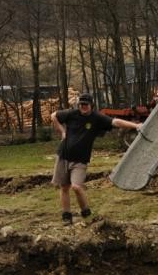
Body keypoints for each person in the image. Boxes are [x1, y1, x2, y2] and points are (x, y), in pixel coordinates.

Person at [51, 93, 141, 224]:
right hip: (63, 156)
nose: (83, 107)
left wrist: (136, 126)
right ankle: (66, 216)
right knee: (64, 187)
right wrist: (62, 131)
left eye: (86, 104)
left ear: (91, 105)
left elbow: (115, 122)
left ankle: (86, 213)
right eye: (81, 104)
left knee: (76, 187)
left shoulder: (96, 118)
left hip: (80, 160)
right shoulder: (71, 114)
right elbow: (54, 116)